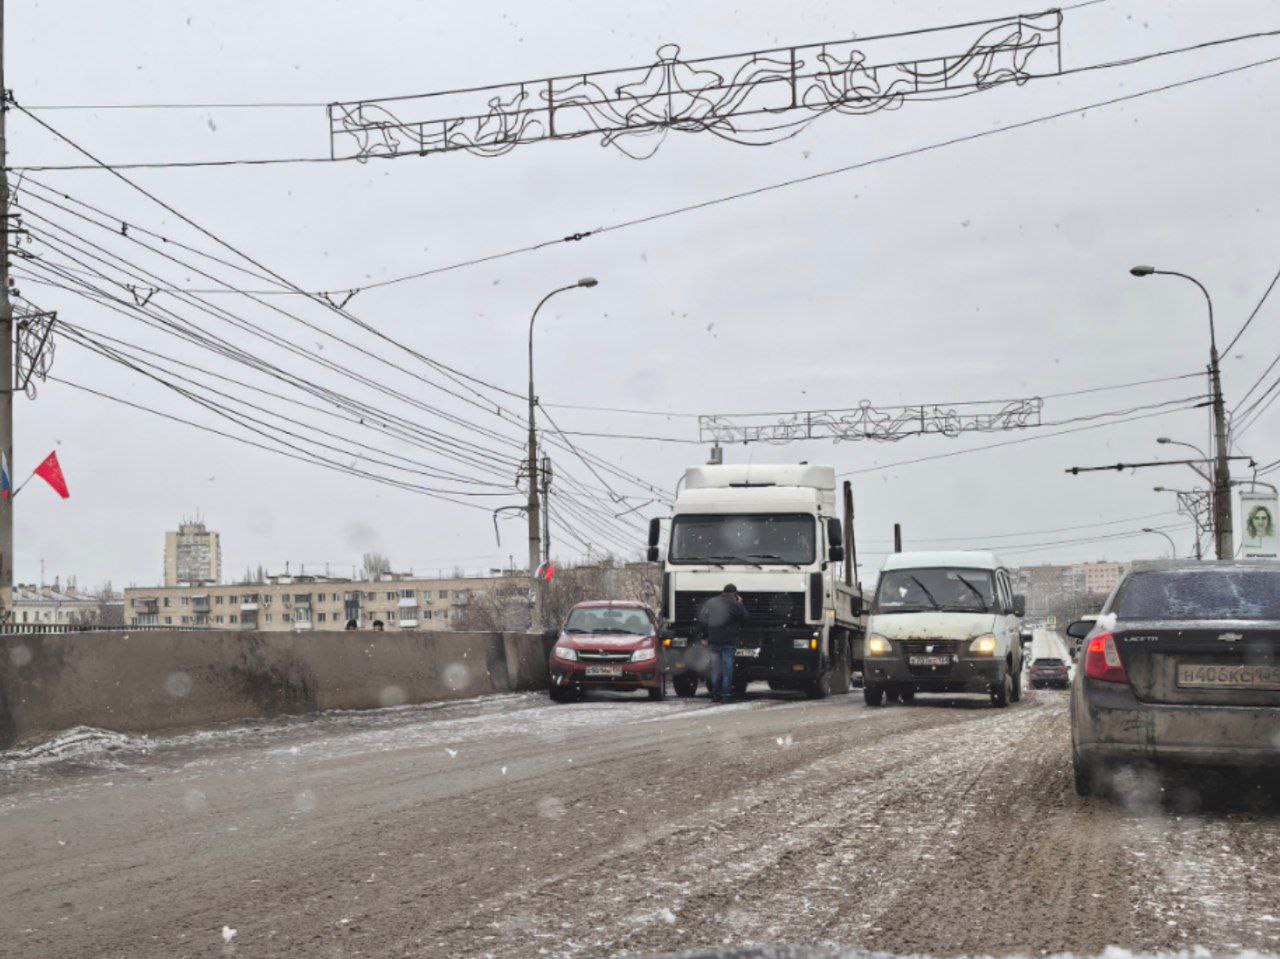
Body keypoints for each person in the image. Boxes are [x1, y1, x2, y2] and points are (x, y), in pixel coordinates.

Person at [697, 584, 749, 703]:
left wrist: (704, 636)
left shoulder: (711, 602)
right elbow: (746, 619)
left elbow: (702, 620)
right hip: (729, 641)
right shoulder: (735, 605)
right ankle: (726, 694)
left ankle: (715, 694)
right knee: (727, 668)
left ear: (723, 592)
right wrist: (740, 604)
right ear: (735, 594)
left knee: (716, 668)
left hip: (714, 640)